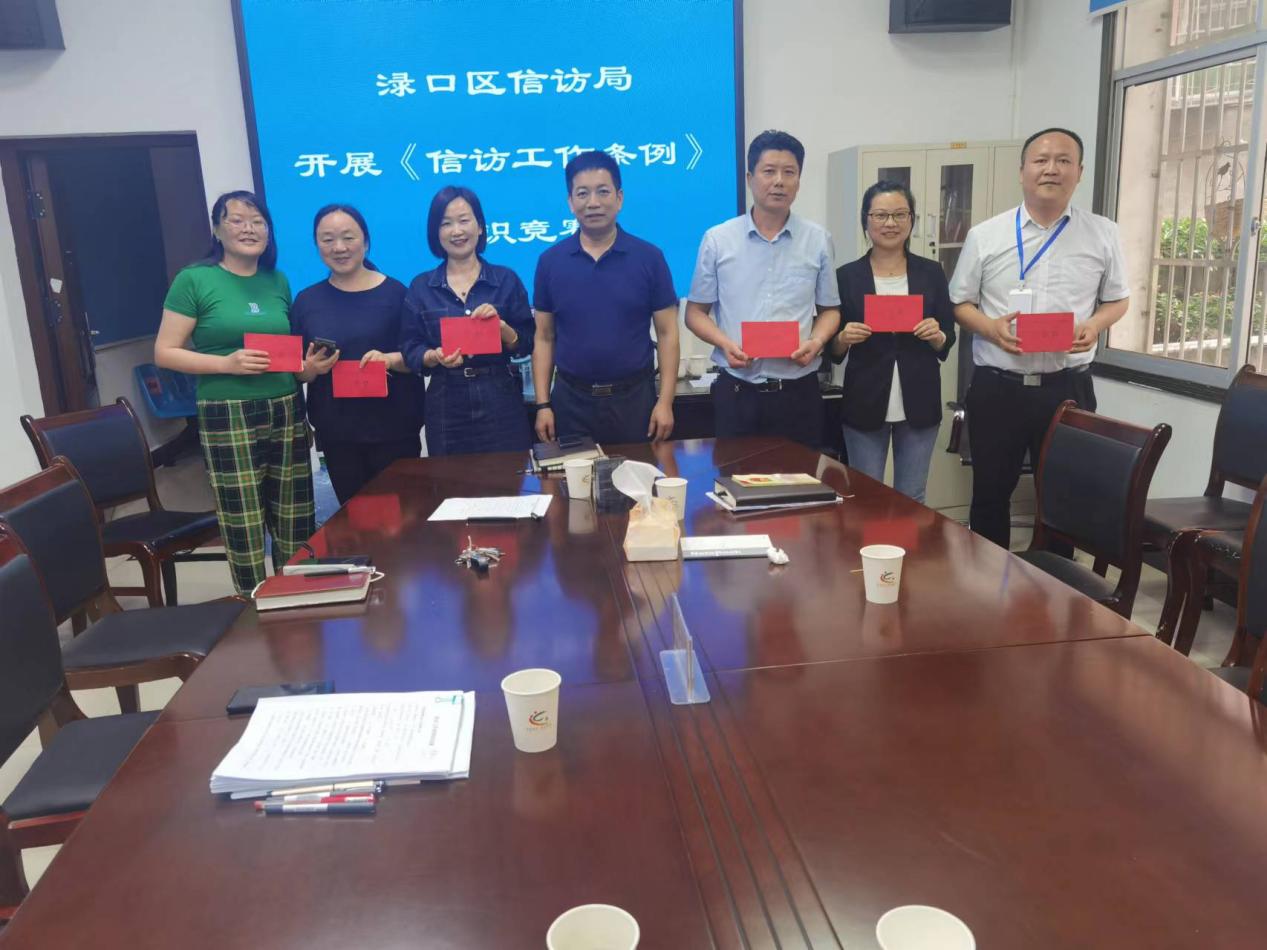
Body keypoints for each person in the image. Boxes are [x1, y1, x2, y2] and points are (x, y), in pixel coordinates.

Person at [949, 127, 1129, 549]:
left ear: (1079, 172)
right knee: (990, 493)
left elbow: (1118, 299)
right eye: (1041, 160)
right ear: (1023, 170)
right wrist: (990, 328)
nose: (1052, 169)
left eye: (1063, 161)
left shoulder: (1103, 233)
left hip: (1067, 388)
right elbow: (959, 303)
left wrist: (1095, 325)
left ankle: (1053, 581)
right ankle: (987, 577)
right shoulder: (986, 235)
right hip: (999, 388)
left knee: (1063, 495)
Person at [155, 190, 316, 595]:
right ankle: (252, 605)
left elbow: (284, 352)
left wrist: (307, 370)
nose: (249, 229)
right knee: (243, 516)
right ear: (217, 229)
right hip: (228, 410)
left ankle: (296, 598)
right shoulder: (195, 279)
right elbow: (165, 352)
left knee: (295, 512)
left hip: (285, 406)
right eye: (237, 220)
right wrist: (226, 364)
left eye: (258, 221)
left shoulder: (277, 280)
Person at [685, 130, 841, 449]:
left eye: (789, 172)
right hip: (738, 392)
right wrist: (724, 343)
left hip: (799, 394)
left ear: (799, 180)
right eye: (769, 171)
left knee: (802, 479)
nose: (779, 181)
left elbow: (830, 311)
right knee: (735, 477)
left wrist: (817, 341)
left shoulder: (818, 240)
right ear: (749, 178)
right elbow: (695, 313)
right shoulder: (718, 239)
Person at [532, 150, 679, 445]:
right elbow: (544, 337)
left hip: (635, 401)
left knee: (638, 474)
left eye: (603, 191)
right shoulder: (550, 262)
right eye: (582, 193)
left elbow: (667, 333)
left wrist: (665, 402)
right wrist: (543, 404)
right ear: (570, 202)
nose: (593, 203)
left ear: (619, 198)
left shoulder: (649, 258)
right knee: (571, 476)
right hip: (571, 403)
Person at [830, 181, 956, 503]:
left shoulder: (931, 272)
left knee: (912, 497)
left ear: (912, 220)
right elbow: (832, 350)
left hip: (919, 401)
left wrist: (938, 335)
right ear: (866, 219)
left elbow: (948, 337)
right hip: (865, 402)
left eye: (900, 214)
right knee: (865, 498)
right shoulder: (846, 276)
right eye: (881, 215)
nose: (891, 223)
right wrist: (843, 338)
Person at [290, 204, 424, 504]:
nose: (339, 247)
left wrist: (389, 359)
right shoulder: (307, 301)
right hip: (338, 435)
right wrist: (310, 368)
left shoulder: (397, 293)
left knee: (403, 518)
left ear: (365, 240)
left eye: (348, 237)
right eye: (327, 239)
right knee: (355, 519)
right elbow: (296, 370)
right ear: (317, 245)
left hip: (395, 429)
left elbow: (417, 357)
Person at [399, 186, 534, 455]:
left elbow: (527, 342)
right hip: (446, 400)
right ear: (435, 232)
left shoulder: (505, 280)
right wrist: (433, 356)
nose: (457, 231)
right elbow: (409, 347)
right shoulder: (421, 287)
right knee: (451, 478)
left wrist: (503, 329)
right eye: (446, 223)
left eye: (464, 220)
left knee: (509, 476)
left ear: (480, 226)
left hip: (500, 397)